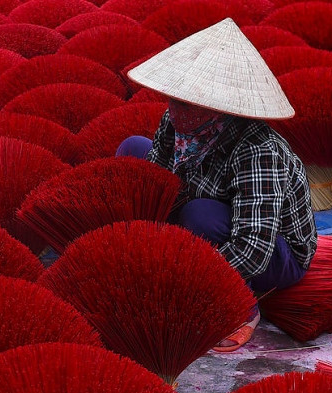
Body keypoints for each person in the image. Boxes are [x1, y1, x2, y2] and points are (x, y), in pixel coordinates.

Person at [117, 18, 317, 352]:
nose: (174, 109)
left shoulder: (257, 150)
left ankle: (244, 306)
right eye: (174, 98)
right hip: (214, 218)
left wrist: (184, 277)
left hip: (274, 253)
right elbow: (157, 176)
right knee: (132, 149)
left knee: (199, 215)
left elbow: (254, 249)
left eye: (187, 103)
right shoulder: (178, 121)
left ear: (218, 108)